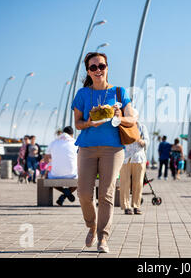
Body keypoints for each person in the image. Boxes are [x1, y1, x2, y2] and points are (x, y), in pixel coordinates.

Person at [72, 52, 136, 253]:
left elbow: (132, 120)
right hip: (87, 148)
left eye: (101, 66)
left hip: (113, 148)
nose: (98, 70)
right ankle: (91, 225)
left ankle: (103, 238)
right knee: (83, 193)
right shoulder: (82, 94)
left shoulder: (118, 92)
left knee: (106, 193)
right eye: (93, 67)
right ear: (88, 72)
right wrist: (90, 122)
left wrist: (118, 115)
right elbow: (77, 124)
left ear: (107, 67)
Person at [120, 116, 149, 215]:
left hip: (139, 158)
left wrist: (143, 142)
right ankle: (126, 206)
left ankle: (136, 206)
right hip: (124, 158)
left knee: (138, 183)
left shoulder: (141, 127)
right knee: (124, 183)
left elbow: (147, 140)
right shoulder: (122, 126)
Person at [43, 126, 78, 206]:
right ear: (72, 134)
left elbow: (46, 159)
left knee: (47, 177)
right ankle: (66, 193)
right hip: (72, 175)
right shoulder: (76, 142)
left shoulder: (54, 142)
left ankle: (64, 192)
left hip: (55, 175)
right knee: (80, 180)